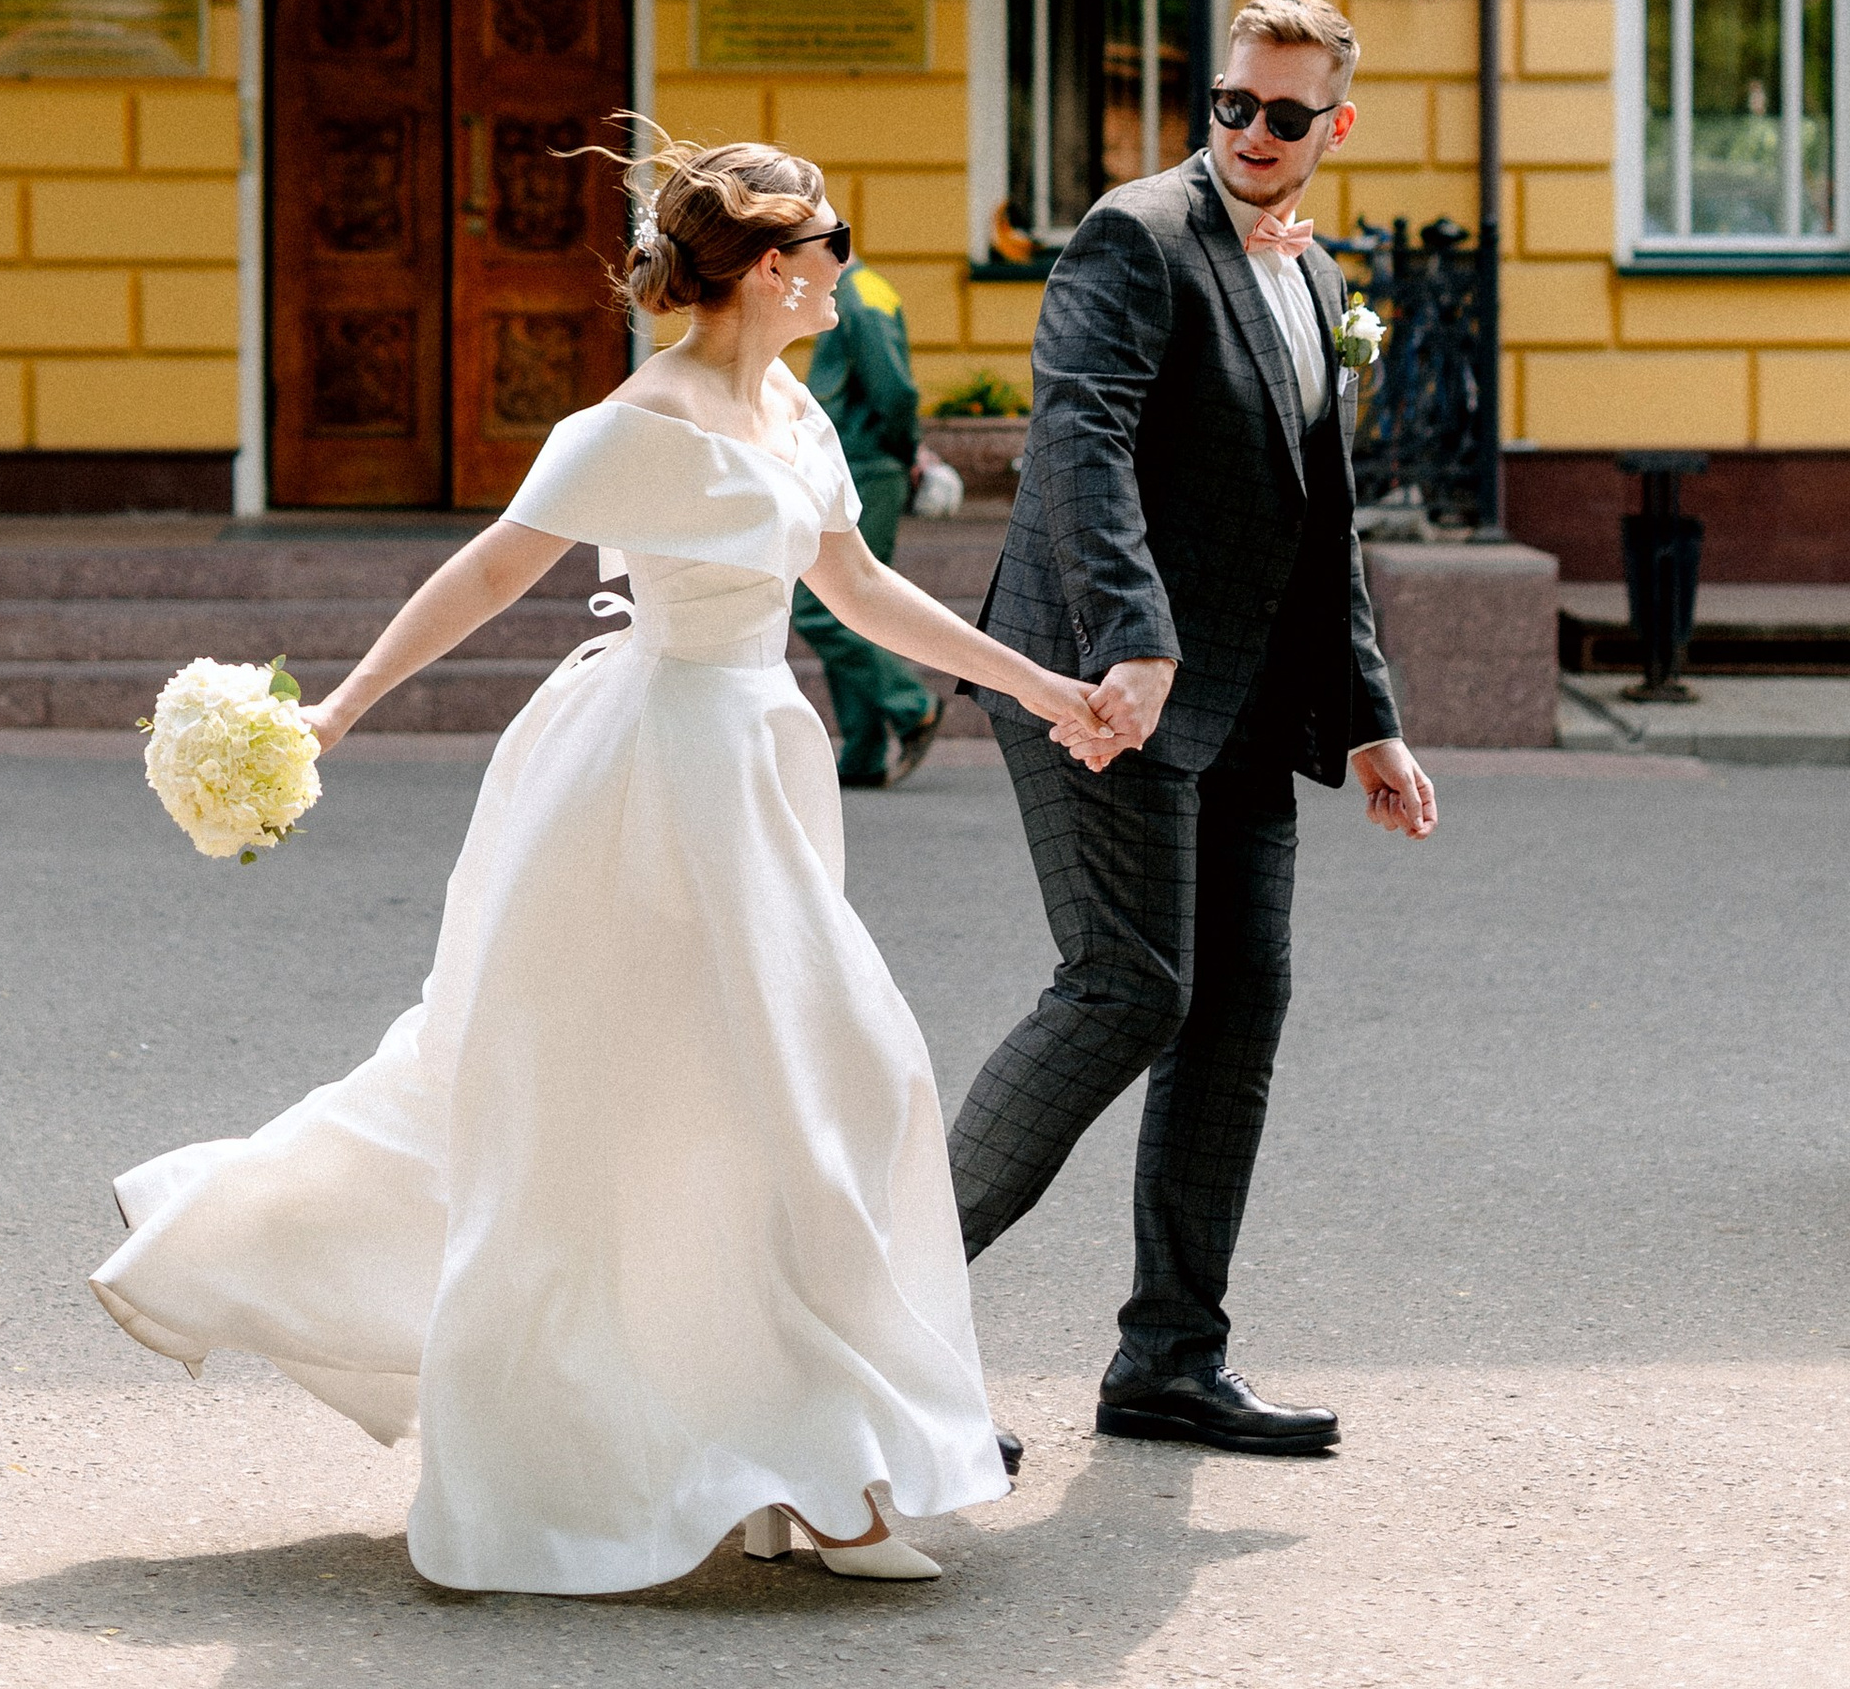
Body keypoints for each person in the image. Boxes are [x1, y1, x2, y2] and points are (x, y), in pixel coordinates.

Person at [93, 132, 1118, 1599]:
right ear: (772, 269)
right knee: (723, 1100)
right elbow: (495, 569)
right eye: (827, 244)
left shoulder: (790, 408)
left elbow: (858, 584)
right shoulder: (639, 420)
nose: (841, 267)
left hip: (757, 761)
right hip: (651, 774)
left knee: (800, 1096)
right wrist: (334, 708)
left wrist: (1039, 685)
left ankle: (795, 1464)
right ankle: (801, 1477)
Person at [950, 0, 1438, 1462]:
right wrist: (1137, 637)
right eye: (1232, 104)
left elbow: (1317, 520)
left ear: (1333, 126)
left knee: (1235, 1008)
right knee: (1127, 987)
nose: (1251, 133)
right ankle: (855, 1315)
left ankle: (1170, 1359)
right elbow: (1080, 433)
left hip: (1232, 703)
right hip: (1098, 679)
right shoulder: (1134, 237)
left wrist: (1369, 719)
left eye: (1286, 115)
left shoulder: (1315, 272)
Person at [795, 252, 945, 789]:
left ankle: (912, 707)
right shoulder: (859, 291)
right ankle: (861, 750)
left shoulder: (861, 295)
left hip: (865, 465)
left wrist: (906, 455)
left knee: (820, 607)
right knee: (844, 603)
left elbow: (896, 391)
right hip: (853, 464)